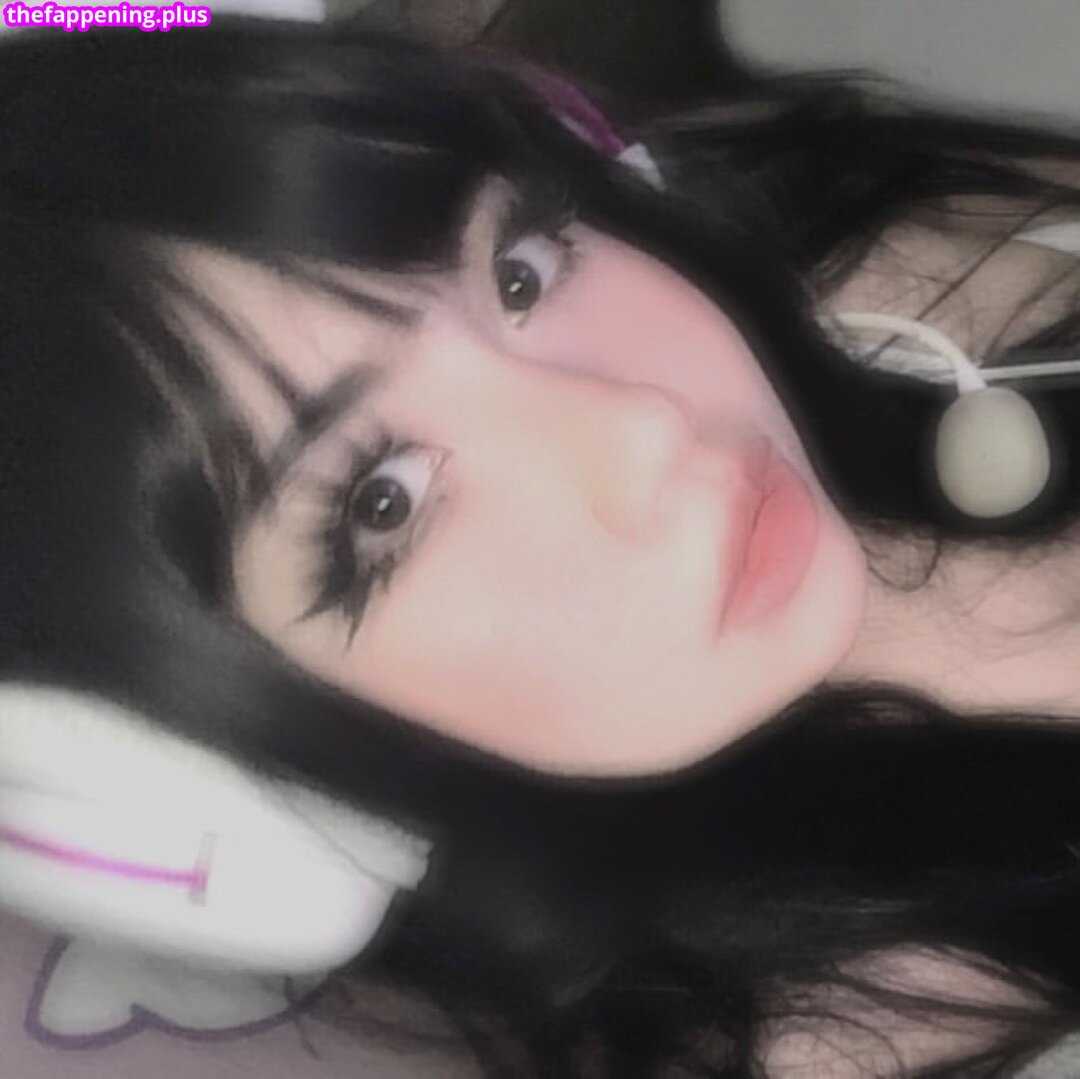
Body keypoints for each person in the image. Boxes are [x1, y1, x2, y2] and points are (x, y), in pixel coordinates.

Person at [6, 16, 1080, 1077]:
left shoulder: (891, 243)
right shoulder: (863, 1040)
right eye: (381, 502)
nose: (643, 428)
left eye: (517, 270)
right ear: (208, 770)